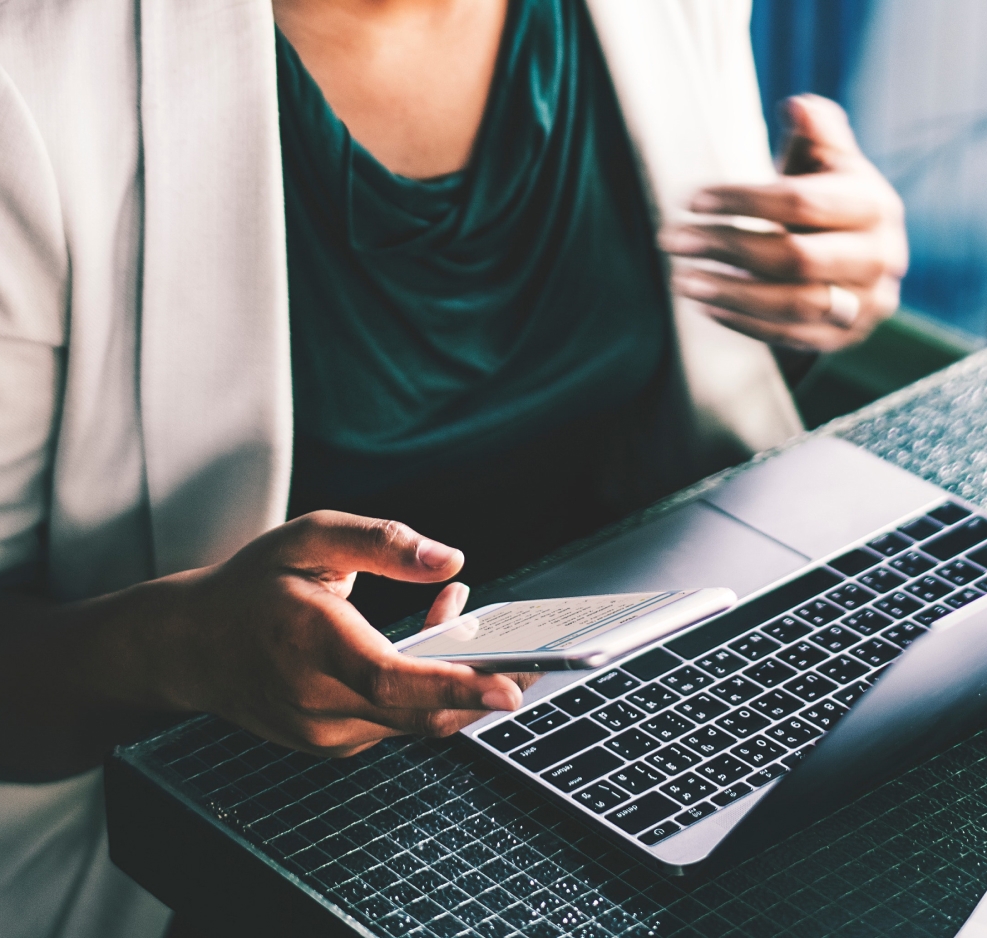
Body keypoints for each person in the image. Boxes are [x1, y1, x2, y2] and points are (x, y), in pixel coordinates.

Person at [0, 0, 907, 936]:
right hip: (261, 826)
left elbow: (663, 377)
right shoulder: (28, 79)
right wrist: (177, 650)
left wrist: (815, 285)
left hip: (655, 712)